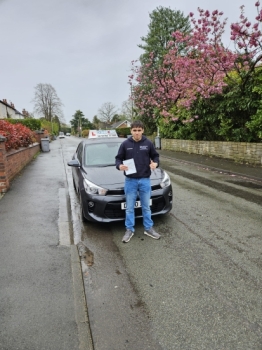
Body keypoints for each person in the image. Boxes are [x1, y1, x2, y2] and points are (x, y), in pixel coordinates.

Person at [115, 120, 161, 243]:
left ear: (143, 131)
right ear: (131, 131)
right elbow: (118, 159)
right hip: (130, 181)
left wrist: (155, 163)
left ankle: (148, 228)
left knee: (146, 207)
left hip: (145, 180)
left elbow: (155, 156)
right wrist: (119, 166)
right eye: (134, 130)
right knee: (130, 208)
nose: (137, 133)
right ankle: (129, 229)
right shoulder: (125, 144)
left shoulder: (148, 143)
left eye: (139, 130)